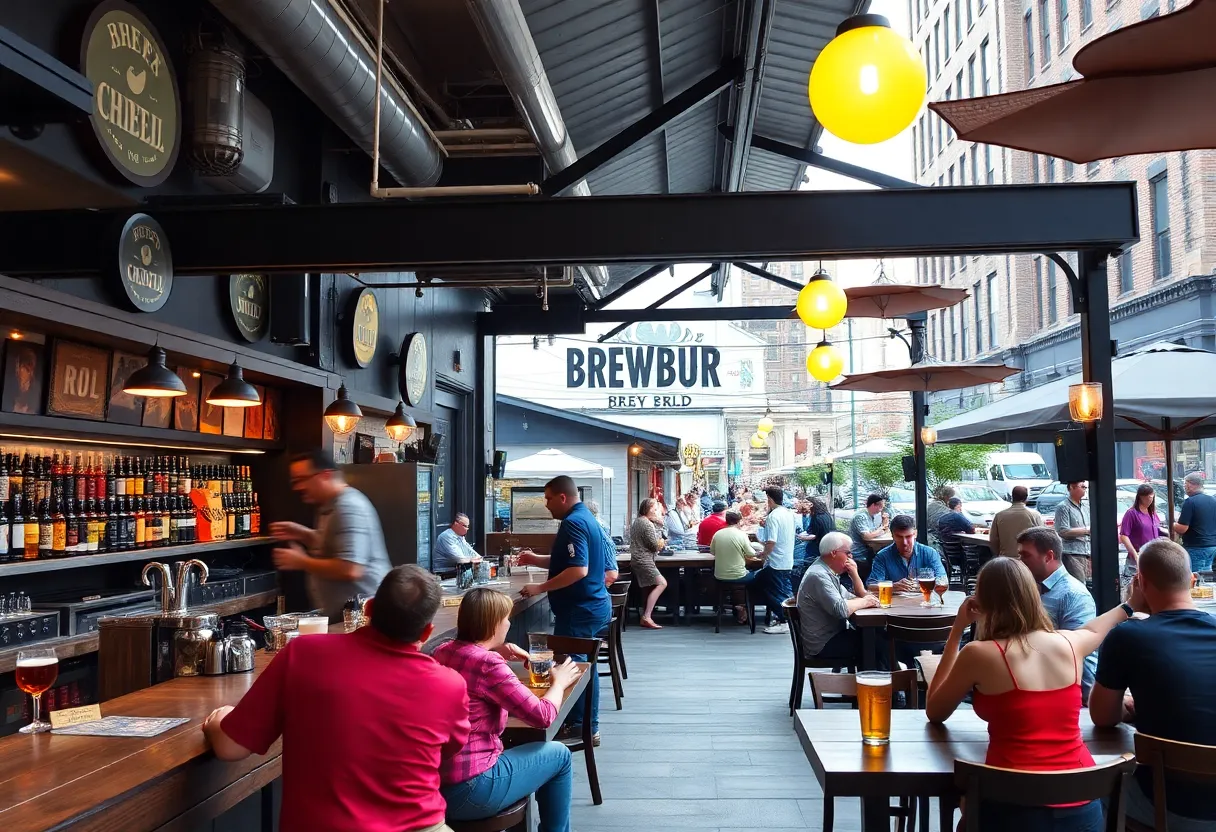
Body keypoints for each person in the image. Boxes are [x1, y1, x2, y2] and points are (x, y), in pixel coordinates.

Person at [201, 565, 471, 832]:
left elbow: (230, 748)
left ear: (368, 609)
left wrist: (217, 719)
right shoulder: (450, 685)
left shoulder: (304, 654)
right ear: (426, 632)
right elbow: (450, 751)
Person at [926, 557, 1137, 832]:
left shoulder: (978, 654)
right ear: (1033, 594)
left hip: (1012, 807)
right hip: (1081, 805)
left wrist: (957, 630)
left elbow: (934, 710)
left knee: (967, 814)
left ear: (983, 602)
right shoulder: (1069, 643)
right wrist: (1129, 607)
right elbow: (1095, 629)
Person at [1089, 539, 1216, 831]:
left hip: (1166, 807)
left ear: (1140, 582)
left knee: (1096, 788)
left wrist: (1132, 707)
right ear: (1193, 580)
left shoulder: (1128, 637)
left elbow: (1103, 717)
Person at [434, 588, 579, 832]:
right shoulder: (488, 664)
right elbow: (543, 716)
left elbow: (470, 668)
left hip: (438, 784)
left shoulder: (442, 652)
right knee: (560, 756)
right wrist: (559, 683)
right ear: (493, 625)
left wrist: (493, 651)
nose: (509, 623)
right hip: (471, 789)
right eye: (505, 618)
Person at [515, 475, 611, 744]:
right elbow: (569, 562)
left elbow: (578, 570)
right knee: (581, 664)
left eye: (547, 499)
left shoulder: (573, 523)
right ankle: (582, 724)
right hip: (591, 604)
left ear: (562, 497)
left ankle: (583, 726)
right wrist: (536, 559)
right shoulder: (585, 518)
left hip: (580, 608)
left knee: (578, 667)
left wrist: (540, 588)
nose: (546, 505)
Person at [269, 448, 392, 620]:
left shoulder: (348, 507)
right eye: (295, 481)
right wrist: (304, 534)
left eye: (301, 480)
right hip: (347, 615)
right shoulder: (329, 505)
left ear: (325, 475)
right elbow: (334, 546)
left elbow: (351, 568)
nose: (297, 487)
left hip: (362, 617)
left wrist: (302, 562)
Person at [1015, 527, 1098, 702]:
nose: (1020, 562)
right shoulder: (1029, 587)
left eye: (1026, 555)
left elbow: (1082, 653)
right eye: (1020, 555)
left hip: (1061, 698)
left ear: (1049, 556)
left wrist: (1086, 701)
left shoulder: (1073, 595)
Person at [796, 531, 879, 665]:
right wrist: (865, 601)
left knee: (878, 638)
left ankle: (877, 681)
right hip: (824, 644)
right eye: (847, 553)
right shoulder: (819, 576)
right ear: (834, 553)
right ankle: (876, 682)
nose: (851, 557)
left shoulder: (826, 571)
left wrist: (855, 575)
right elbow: (841, 609)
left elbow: (853, 598)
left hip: (833, 636)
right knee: (877, 643)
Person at [754, 486, 797, 635]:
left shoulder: (773, 516)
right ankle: (789, 618)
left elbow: (771, 541)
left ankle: (784, 619)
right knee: (785, 592)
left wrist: (763, 555)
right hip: (787, 559)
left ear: (770, 499)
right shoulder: (788, 513)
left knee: (768, 589)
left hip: (775, 561)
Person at [866, 514, 946, 591]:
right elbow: (871, 585)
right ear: (892, 535)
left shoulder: (929, 553)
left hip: (924, 600)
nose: (904, 542)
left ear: (915, 534)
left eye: (908, 537)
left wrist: (923, 584)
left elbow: (942, 580)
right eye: (899, 537)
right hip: (896, 603)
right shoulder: (883, 556)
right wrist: (893, 586)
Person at [711, 510, 759, 625]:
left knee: (736, 579)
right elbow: (751, 553)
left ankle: (738, 605)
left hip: (720, 575)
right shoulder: (741, 534)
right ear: (739, 521)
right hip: (739, 575)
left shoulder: (718, 534)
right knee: (755, 575)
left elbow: (712, 552)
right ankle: (743, 606)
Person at [628, 498, 669, 629]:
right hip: (644, 560)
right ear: (648, 509)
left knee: (649, 587)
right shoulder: (646, 524)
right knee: (662, 583)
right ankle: (646, 616)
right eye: (655, 509)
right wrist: (662, 542)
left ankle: (646, 614)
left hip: (638, 559)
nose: (657, 512)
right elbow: (654, 545)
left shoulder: (638, 521)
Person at [1172, 472, 1216, 571]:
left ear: (1191, 484)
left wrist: (1172, 524)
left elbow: (1182, 528)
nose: (1184, 487)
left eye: (1185, 484)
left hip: (1197, 546)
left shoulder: (1190, 502)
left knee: (1195, 577)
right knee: (1206, 575)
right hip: (1212, 546)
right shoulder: (1213, 500)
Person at [988, 486, 1043, 559]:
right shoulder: (1034, 515)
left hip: (1005, 559)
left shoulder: (999, 516)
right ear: (1026, 498)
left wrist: (999, 554)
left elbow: (993, 540)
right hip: (1027, 560)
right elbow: (1042, 538)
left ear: (1012, 497)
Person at [1118, 483, 1161, 579]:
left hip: (1152, 556)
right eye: (1147, 497)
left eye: (1151, 496)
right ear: (1140, 497)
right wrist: (1134, 553)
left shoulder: (1153, 513)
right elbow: (1124, 535)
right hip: (1137, 556)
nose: (1150, 499)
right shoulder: (1132, 513)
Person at [1053, 481, 1091, 585]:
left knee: (1088, 585)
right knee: (1078, 585)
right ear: (1072, 487)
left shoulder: (1086, 506)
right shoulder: (1063, 507)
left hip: (1086, 551)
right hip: (1072, 553)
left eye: (1085, 487)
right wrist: (1087, 531)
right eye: (1082, 486)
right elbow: (1062, 531)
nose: (1085, 488)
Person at [849, 493, 889, 571]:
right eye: (880, 507)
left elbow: (874, 532)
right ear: (874, 505)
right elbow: (867, 536)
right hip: (860, 553)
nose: (881, 510)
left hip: (867, 551)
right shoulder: (861, 516)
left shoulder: (869, 516)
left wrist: (884, 524)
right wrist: (882, 528)